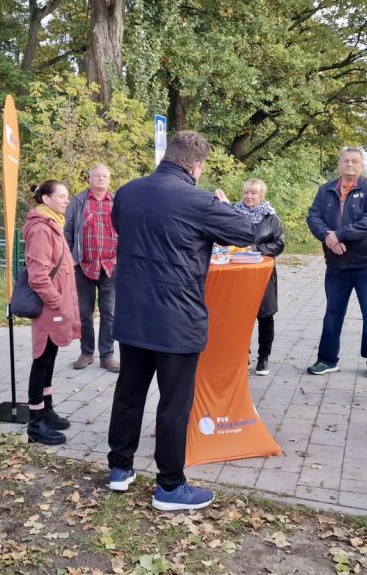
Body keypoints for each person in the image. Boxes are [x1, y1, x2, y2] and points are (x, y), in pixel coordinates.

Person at [106, 131, 257, 511]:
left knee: (129, 392)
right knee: (174, 403)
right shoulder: (200, 200)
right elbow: (245, 231)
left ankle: (119, 469)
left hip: (133, 312)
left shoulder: (127, 192)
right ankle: (169, 487)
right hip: (177, 318)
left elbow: (123, 228)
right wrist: (223, 205)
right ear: (196, 165)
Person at [305, 147, 367, 377]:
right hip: (336, 263)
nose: (349, 165)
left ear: (361, 166)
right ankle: (327, 359)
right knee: (333, 312)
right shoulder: (326, 190)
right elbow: (313, 217)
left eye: (354, 161)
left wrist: (339, 235)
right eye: (345, 161)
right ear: (339, 164)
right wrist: (328, 238)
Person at [21, 180, 81, 446]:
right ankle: (35, 422)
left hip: (56, 306)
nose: (66, 200)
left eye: (67, 196)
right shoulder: (41, 229)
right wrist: (56, 301)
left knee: (51, 356)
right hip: (49, 307)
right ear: (45, 199)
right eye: (62, 196)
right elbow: (38, 275)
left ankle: (47, 409)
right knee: (41, 360)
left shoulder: (53, 224)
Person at [225, 178, 285, 375]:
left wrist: (255, 248)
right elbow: (223, 238)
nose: (249, 197)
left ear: (262, 196)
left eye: (253, 194)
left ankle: (263, 357)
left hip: (263, 275)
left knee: (265, 316)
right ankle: (243, 355)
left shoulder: (272, 218)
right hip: (238, 274)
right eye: (246, 193)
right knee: (239, 317)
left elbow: (279, 244)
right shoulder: (232, 215)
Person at [64, 164, 119, 373]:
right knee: (84, 313)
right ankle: (87, 352)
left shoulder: (116, 202)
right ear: (89, 179)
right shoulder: (78, 202)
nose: (101, 179)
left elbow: (125, 230)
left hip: (109, 266)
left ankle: (107, 355)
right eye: (97, 175)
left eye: (105, 176)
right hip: (83, 266)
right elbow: (67, 231)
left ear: (109, 179)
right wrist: (71, 258)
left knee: (110, 313)